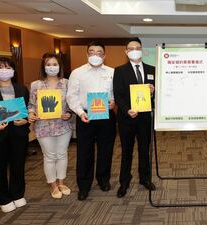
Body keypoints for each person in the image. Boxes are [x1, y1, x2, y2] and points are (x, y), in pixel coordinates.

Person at [67, 41, 116, 201]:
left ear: (105, 55)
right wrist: (80, 113)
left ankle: (103, 180)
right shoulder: (77, 73)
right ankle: (84, 185)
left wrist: (113, 102)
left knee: (106, 150)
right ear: (87, 54)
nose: (96, 55)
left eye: (99, 52)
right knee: (84, 152)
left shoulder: (112, 72)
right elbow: (71, 96)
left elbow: (116, 93)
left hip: (106, 116)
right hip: (85, 117)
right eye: (92, 52)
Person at [0, 57, 29, 213]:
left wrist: (25, 120)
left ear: (13, 70)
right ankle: (3, 198)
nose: (5, 70)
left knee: (18, 165)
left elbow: (26, 111)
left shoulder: (21, 89)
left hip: (18, 134)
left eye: (8, 67)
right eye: (1, 67)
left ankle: (17, 194)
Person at [113, 37, 156, 198]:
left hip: (145, 119)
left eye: (137, 48)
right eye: (131, 48)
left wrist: (153, 90)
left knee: (144, 150)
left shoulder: (151, 69)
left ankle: (144, 178)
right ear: (126, 52)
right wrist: (127, 110)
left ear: (142, 50)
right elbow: (118, 95)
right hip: (127, 119)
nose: (134, 50)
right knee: (126, 152)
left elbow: (157, 93)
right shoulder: (119, 70)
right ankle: (124, 182)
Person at [27, 53, 73, 199]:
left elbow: (72, 103)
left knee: (62, 154)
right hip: (43, 126)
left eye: (55, 64)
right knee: (49, 156)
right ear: (43, 66)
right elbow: (31, 105)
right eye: (48, 64)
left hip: (63, 126)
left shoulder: (67, 83)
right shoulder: (36, 85)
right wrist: (31, 114)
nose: (51, 67)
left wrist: (69, 113)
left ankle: (61, 182)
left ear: (60, 67)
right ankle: (53, 185)